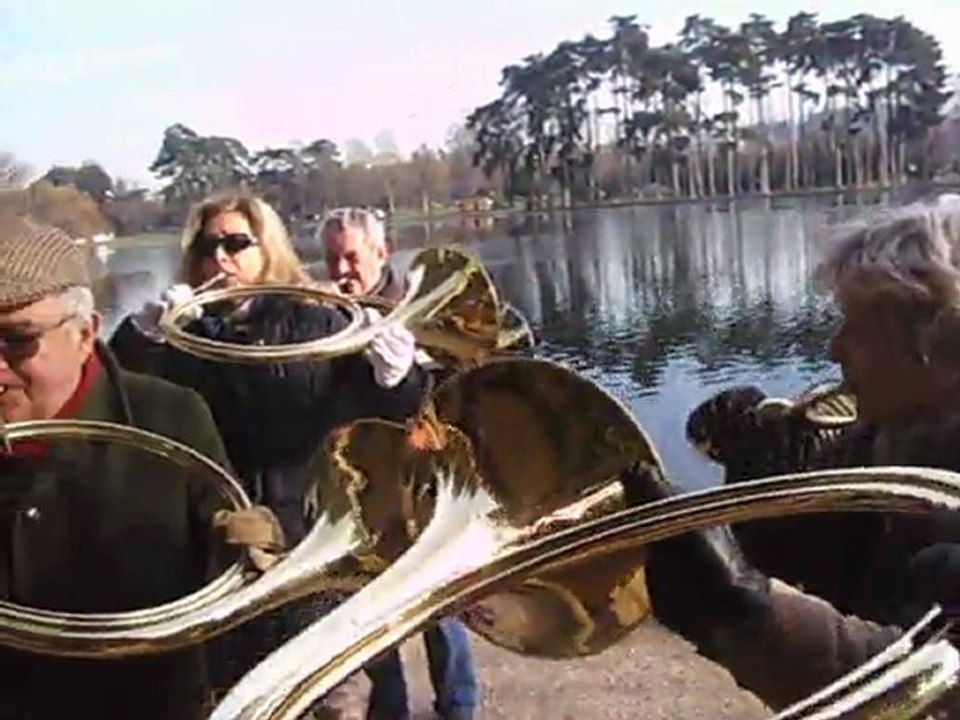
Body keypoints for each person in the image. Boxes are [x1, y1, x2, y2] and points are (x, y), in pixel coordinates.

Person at [110, 192, 430, 719]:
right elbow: (125, 408)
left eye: (237, 243)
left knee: (333, 696)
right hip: (220, 552)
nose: (221, 258)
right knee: (239, 700)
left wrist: (398, 379)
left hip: (311, 545)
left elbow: (387, 421)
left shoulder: (319, 322)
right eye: (207, 246)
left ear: (268, 249)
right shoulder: (179, 338)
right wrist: (139, 340)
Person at [637, 197, 960, 714]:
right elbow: (821, 568)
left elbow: (926, 693)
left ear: (933, 345)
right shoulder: (876, 445)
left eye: (856, 328)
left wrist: (746, 615)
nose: (834, 350)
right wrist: (754, 476)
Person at [0, 213, 282, 720]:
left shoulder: (168, 418)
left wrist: (244, 553)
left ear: (85, 334)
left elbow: (233, 596)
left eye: (17, 341)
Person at [321, 207, 478, 720]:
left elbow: (451, 410)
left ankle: (457, 711)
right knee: (372, 626)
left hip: (423, 489)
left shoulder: (422, 311)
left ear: (382, 253)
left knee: (443, 617)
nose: (341, 271)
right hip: (362, 492)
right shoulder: (325, 317)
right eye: (331, 259)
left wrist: (405, 379)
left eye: (351, 257)